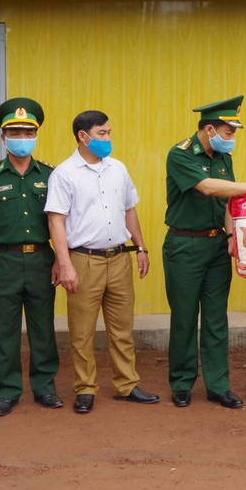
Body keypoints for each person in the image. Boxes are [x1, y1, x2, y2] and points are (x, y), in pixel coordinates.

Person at [164, 96, 246, 409]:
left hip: (216, 245)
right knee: (185, 317)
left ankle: (217, 385)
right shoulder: (180, 153)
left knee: (216, 318)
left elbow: (227, 201)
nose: (232, 139)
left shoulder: (222, 157)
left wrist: (232, 235)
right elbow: (209, 188)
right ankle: (182, 382)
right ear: (210, 129)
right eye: (229, 133)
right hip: (185, 245)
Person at [45, 110, 158, 414]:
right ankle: (85, 388)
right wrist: (65, 263)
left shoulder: (118, 169)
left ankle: (127, 384)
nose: (108, 138)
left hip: (119, 258)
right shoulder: (64, 174)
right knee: (82, 332)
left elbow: (129, 210)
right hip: (84, 260)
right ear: (83, 137)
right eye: (102, 133)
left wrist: (141, 247)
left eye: (109, 132)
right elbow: (56, 222)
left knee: (122, 329)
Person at [0, 98, 63, 417]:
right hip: (3, 261)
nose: (22, 137)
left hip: (41, 260)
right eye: (15, 132)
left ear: (36, 135)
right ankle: (8, 391)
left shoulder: (51, 175)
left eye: (28, 132)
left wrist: (58, 260)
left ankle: (45, 388)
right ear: (3, 137)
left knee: (43, 327)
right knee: (5, 329)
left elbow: (58, 220)